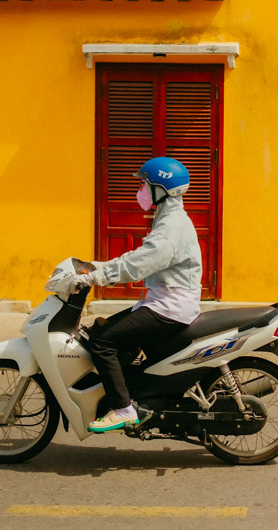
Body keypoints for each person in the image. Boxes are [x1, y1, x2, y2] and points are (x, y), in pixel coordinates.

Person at [75, 156, 203, 432]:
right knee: (104, 332)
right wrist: (97, 266)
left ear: (161, 189)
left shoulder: (171, 228)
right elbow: (139, 255)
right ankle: (130, 392)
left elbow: (139, 265)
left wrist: (99, 277)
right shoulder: (169, 219)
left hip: (169, 307)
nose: (141, 191)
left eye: (145, 184)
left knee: (102, 342)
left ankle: (123, 409)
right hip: (163, 301)